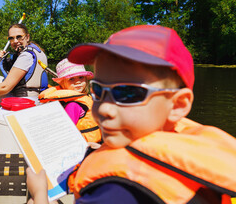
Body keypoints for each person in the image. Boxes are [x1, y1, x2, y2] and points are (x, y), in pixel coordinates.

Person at [26, 25, 236, 204]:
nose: (104, 109)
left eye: (127, 93)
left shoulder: (116, 193)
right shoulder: (185, 146)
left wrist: (40, 194)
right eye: (98, 91)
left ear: (178, 105)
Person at [0, 24, 48, 101]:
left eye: (19, 37)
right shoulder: (37, 51)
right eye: (11, 38)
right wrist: (3, 59)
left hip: (26, 102)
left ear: (27, 37)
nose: (15, 41)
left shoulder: (26, 56)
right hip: (38, 98)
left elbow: (5, 87)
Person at [38, 58, 102, 143]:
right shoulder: (73, 105)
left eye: (81, 77)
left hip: (96, 144)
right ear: (63, 83)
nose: (78, 82)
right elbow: (66, 132)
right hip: (84, 147)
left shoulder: (88, 97)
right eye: (71, 79)